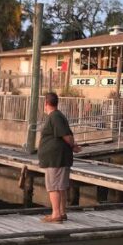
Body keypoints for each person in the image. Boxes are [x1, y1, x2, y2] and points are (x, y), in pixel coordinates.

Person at [38, 92, 81, 222]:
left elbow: (66, 136)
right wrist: (73, 145)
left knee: (54, 187)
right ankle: (62, 212)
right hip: (59, 157)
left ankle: (56, 214)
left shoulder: (55, 117)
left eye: (44, 104)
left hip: (55, 159)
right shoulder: (59, 116)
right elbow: (67, 135)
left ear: (46, 103)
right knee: (61, 186)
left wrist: (73, 145)